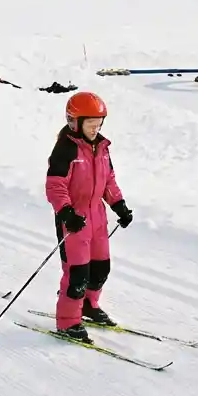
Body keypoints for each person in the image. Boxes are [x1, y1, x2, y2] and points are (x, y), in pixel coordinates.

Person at [46, 92, 133, 343]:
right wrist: (66, 212)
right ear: (75, 122)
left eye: (99, 125)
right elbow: (55, 186)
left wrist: (120, 205)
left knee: (100, 268)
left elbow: (108, 181)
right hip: (74, 219)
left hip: (97, 217)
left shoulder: (102, 148)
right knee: (77, 273)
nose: (95, 130)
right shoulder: (66, 149)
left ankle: (88, 306)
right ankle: (68, 321)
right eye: (91, 125)